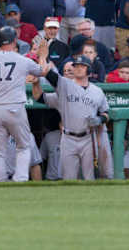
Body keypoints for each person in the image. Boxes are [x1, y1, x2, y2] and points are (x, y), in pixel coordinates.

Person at [0, 26, 45, 182]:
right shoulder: (22, 60)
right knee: (24, 146)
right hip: (15, 107)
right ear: (13, 41)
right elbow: (42, 71)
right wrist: (42, 56)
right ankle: (20, 180)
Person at [33, 52, 110, 180]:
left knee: (90, 178)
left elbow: (106, 113)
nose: (78, 68)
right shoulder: (65, 85)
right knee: (68, 179)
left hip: (88, 138)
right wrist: (42, 57)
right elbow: (47, 76)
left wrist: (99, 119)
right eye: (76, 65)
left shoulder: (97, 91)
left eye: (82, 66)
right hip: (68, 138)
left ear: (89, 70)